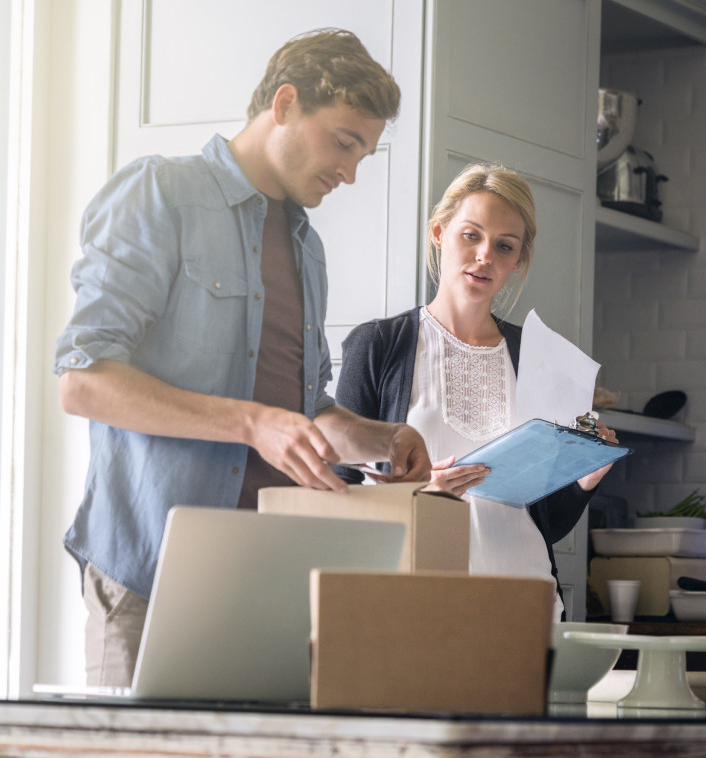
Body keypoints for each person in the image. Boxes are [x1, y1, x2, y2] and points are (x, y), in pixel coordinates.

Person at [54, 28, 432, 687]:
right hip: (148, 571)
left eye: (364, 154)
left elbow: (306, 408)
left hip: (268, 574)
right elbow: (84, 383)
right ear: (284, 104)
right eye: (344, 141)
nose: (350, 171)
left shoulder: (306, 247)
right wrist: (250, 422)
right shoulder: (159, 193)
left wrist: (381, 438)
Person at [334, 163, 617, 621]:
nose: (486, 255)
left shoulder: (538, 358)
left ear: (517, 260)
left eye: (504, 246)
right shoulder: (378, 346)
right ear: (439, 232)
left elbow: (544, 522)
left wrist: (587, 477)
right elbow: (335, 496)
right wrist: (420, 495)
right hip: (412, 605)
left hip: (525, 606)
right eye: (472, 235)